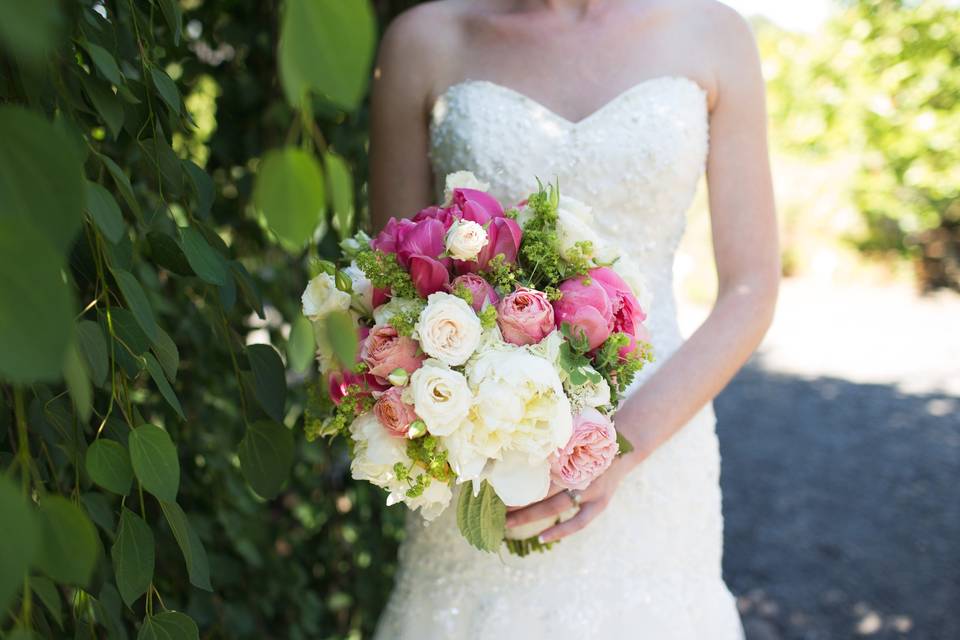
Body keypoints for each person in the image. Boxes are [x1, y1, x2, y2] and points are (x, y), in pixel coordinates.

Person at [368, 1, 779, 637]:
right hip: (479, 449)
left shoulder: (713, 34)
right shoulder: (424, 39)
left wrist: (618, 447)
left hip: (661, 437)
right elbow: (392, 283)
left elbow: (751, 288)